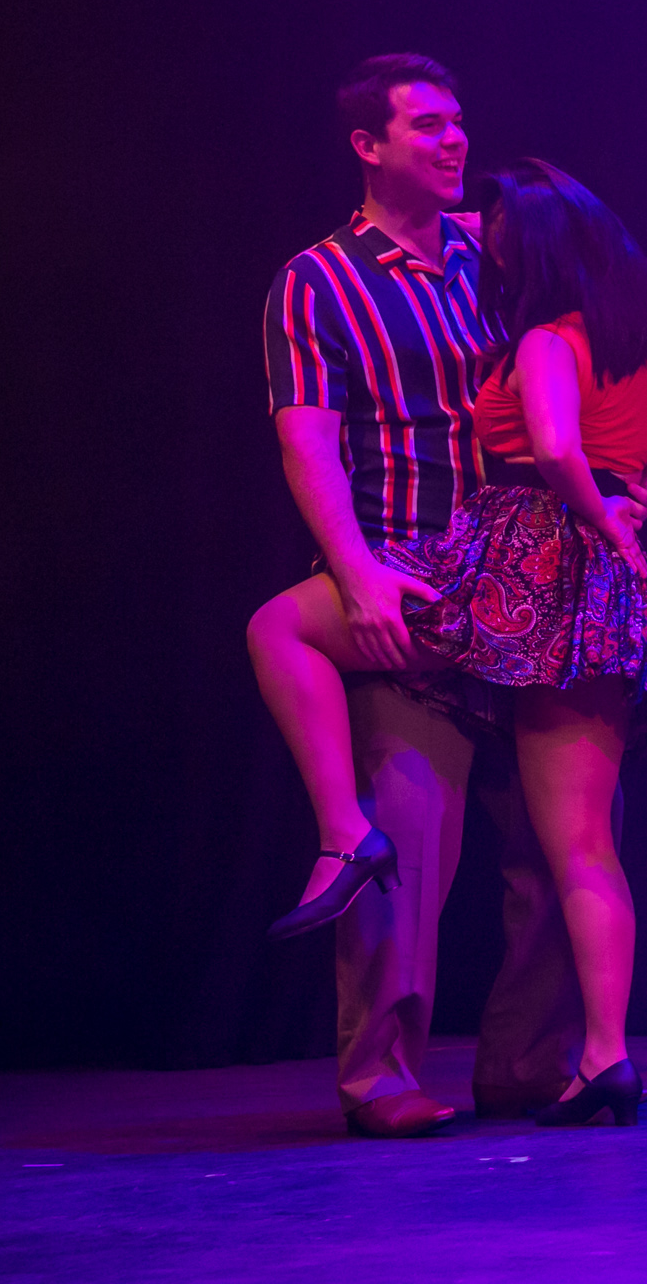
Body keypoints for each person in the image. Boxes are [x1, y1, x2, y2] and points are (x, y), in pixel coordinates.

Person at [252, 152, 647, 1131]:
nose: (486, 250)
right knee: (579, 846)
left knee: (278, 625)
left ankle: (344, 834)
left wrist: (598, 506)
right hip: (594, 590)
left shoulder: (543, 331)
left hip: (515, 568)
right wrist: (623, 509)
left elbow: (555, 445)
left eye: (501, 240)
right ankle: (602, 1056)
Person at [257, 56, 587, 1138]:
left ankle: (527, 1063)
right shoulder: (319, 280)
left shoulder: (492, 258)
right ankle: (381, 1075)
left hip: (524, 582)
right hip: (412, 579)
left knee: (560, 837)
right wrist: (354, 573)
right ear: (368, 145)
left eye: (458, 122)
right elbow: (308, 443)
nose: (455, 142)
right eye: (429, 126)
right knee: (408, 823)